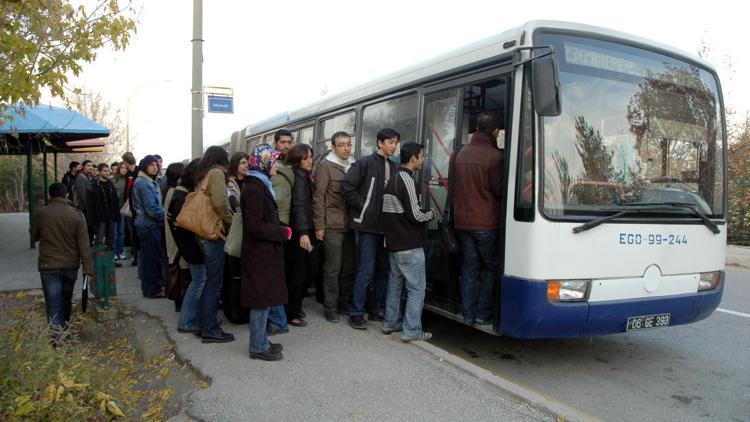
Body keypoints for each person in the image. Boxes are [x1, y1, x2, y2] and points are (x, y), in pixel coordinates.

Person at [341, 128, 399, 330]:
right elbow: (346, 187)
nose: (394, 146)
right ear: (380, 143)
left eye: (395, 142)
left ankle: (376, 308)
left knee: (384, 271)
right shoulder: (365, 163)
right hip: (367, 226)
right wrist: (366, 207)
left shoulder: (394, 166)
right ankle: (356, 312)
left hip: (386, 228)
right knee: (366, 270)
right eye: (390, 142)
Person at [450, 111, 504, 325]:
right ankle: (483, 313)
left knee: (469, 268)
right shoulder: (495, 156)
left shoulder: (460, 154)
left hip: (462, 222)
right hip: (486, 223)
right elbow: (499, 190)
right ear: (496, 131)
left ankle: (468, 313)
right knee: (490, 267)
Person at [241, 144, 291, 361]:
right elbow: (255, 226)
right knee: (260, 301)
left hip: (263, 253)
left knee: (264, 298)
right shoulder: (254, 188)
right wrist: (282, 232)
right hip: (258, 254)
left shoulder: (259, 184)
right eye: (274, 161)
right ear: (263, 162)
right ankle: (258, 346)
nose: (276, 165)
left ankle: (261, 340)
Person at [381, 142, 434, 341]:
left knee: (395, 284)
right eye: (422, 156)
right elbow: (415, 215)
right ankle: (411, 331)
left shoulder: (392, 178)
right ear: (413, 158)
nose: (423, 160)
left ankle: (390, 323)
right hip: (409, 245)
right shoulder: (407, 180)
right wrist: (430, 214)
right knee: (416, 288)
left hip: (393, 243)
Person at [30, 183, 93, 341]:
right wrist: (88, 269)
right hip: (70, 265)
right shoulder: (77, 215)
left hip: (48, 265)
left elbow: (34, 236)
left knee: (53, 303)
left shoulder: (40, 213)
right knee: (66, 300)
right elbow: (84, 245)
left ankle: (56, 339)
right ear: (66, 195)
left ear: (50, 196)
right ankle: (65, 331)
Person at [313, 131, 355, 322]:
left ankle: (344, 304)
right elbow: (319, 197)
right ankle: (330, 308)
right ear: (333, 147)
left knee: (348, 267)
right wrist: (319, 226)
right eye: (341, 144)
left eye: (348, 144)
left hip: (350, 225)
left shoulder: (353, 165)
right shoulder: (326, 167)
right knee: (332, 269)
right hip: (332, 225)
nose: (346, 148)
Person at [195, 146, 234, 343]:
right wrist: (231, 221)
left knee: (209, 280)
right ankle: (210, 328)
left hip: (201, 231)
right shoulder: (217, 173)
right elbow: (220, 202)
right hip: (212, 231)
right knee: (214, 282)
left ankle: (202, 323)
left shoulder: (204, 174)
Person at [167, 159, 206, 333]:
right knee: (199, 281)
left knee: (198, 281)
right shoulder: (183, 197)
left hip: (187, 247)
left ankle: (189, 319)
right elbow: (186, 226)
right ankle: (187, 320)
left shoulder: (179, 193)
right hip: (190, 248)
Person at [286, 143, 317, 327]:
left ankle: (294, 308)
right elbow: (299, 206)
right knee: (298, 274)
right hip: (299, 232)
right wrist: (304, 233)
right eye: (305, 158)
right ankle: (291, 312)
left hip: (303, 230)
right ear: (297, 159)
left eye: (311, 157)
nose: (309, 161)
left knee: (306, 271)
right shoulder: (298, 177)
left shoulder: (305, 176)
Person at [268, 129, 295, 334]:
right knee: (274, 273)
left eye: (289, 142)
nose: (286, 145)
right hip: (273, 223)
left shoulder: (289, 164)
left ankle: (281, 315)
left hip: (286, 223)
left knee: (282, 271)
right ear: (275, 143)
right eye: (283, 142)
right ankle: (276, 318)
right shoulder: (271, 164)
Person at [131, 155, 166, 298]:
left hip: (146, 225)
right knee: (152, 258)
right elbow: (151, 208)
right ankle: (154, 288)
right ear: (145, 166)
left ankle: (149, 288)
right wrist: (165, 218)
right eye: (152, 165)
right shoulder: (144, 183)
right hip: (148, 225)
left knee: (147, 258)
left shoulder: (148, 181)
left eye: (156, 165)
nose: (155, 167)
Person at [91, 163, 120, 255]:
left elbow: (115, 200)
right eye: (105, 171)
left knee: (111, 239)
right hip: (100, 218)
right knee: (99, 239)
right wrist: (93, 218)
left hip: (110, 216)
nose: (107, 173)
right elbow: (91, 203)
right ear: (99, 172)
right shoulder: (94, 185)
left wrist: (116, 214)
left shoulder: (110, 184)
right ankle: (98, 261)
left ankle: (110, 260)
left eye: (108, 171)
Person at [122, 152, 140, 266]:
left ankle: (138, 255)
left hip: (137, 207)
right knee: (132, 232)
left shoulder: (138, 172)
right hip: (129, 206)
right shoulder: (127, 174)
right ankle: (135, 255)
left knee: (137, 232)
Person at [74, 159, 95, 243]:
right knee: (87, 228)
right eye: (88, 165)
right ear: (83, 167)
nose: (90, 167)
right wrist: (88, 208)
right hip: (84, 208)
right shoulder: (81, 177)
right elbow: (82, 194)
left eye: (91, 166)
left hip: (88, 207)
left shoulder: (88, 176)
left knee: (90, 229)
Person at [112, 161, 128, 260]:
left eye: (125, 168)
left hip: (123, 208)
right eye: (122, 168)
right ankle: (114, 252)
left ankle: (120, 251)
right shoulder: (113, 180)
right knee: (114, 232)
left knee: (121, 232)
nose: (124, 170)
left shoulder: (128, 180)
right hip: (114, 209)